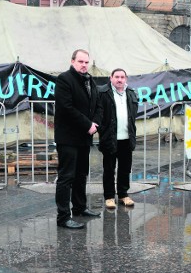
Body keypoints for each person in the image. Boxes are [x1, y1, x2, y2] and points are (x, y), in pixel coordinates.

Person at [54, 49, 102, 229]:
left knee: (82, 175)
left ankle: (80, 208)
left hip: (84, 137)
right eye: (80, 61)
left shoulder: (90, 80)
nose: (84, 65)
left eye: (86, 62)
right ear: (73, 61)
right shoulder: (64, 79)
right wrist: (87, 125)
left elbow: (97, 105)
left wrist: (95, 123)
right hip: (68, 137)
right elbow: (66, 108)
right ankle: (63, 217)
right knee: (66, 177)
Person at [98, 68, 139, 209]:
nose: (119, 79)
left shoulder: (131, 93)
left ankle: (123, 195)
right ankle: (109, 197)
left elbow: (133, 116)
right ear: (111, 78)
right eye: (117, 77)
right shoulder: (103, 93)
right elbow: (99, 113)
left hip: (127, 138)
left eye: (122, 77)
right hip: (110, 138)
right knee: (109, 169)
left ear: (126, 79)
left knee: (125, 169)